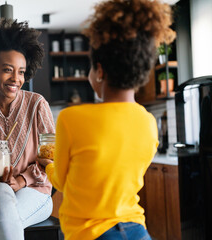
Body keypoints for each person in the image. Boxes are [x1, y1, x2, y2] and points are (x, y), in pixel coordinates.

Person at [37, 0, 176, 239]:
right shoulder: (148, 122)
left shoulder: (72, 118)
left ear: (99, 71)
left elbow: (62, 181)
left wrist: (46, 165)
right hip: (137, 230)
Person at [0, 19, 55, 240]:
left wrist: (22, 180)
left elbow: (51, 158)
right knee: (0, 191)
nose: (16, 78)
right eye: (7, 70)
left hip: (35, 191)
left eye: (21, 72)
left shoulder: (37, 105)